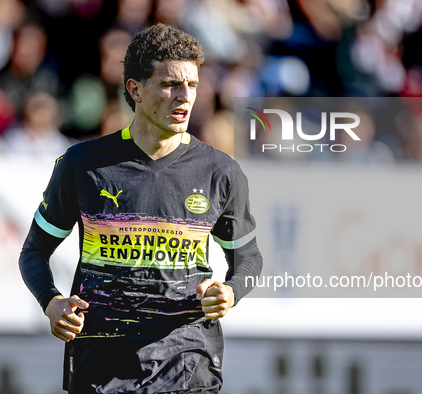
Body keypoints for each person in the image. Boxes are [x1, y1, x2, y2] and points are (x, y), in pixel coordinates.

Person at [19, 23, 263, 394]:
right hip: (101, 367)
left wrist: (230, 291)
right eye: (170, 84)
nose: (185, 97)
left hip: (188, 365)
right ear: (135, 89)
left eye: (193, 85)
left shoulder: (221, 171)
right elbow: (34, 251)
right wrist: (51, 302)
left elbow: (248, 258)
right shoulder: (82, 164)